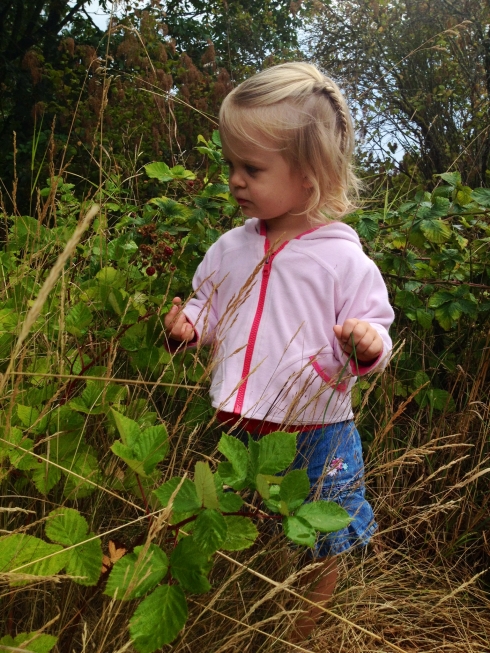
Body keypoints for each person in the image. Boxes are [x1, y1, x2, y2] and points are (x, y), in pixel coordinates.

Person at [164, 62, 394, 641]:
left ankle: (306, 625)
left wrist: (366, 343)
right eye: (231, 165)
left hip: (317, 426)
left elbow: (376, 328)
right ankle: (244, 601)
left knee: (324, 532)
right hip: (240, 422)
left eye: (252, 168)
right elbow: (208, 306)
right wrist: (188, 326)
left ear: (311, 176)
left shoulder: (342, 260)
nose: (236, 180)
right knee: (242, 518)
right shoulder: (231, 247)